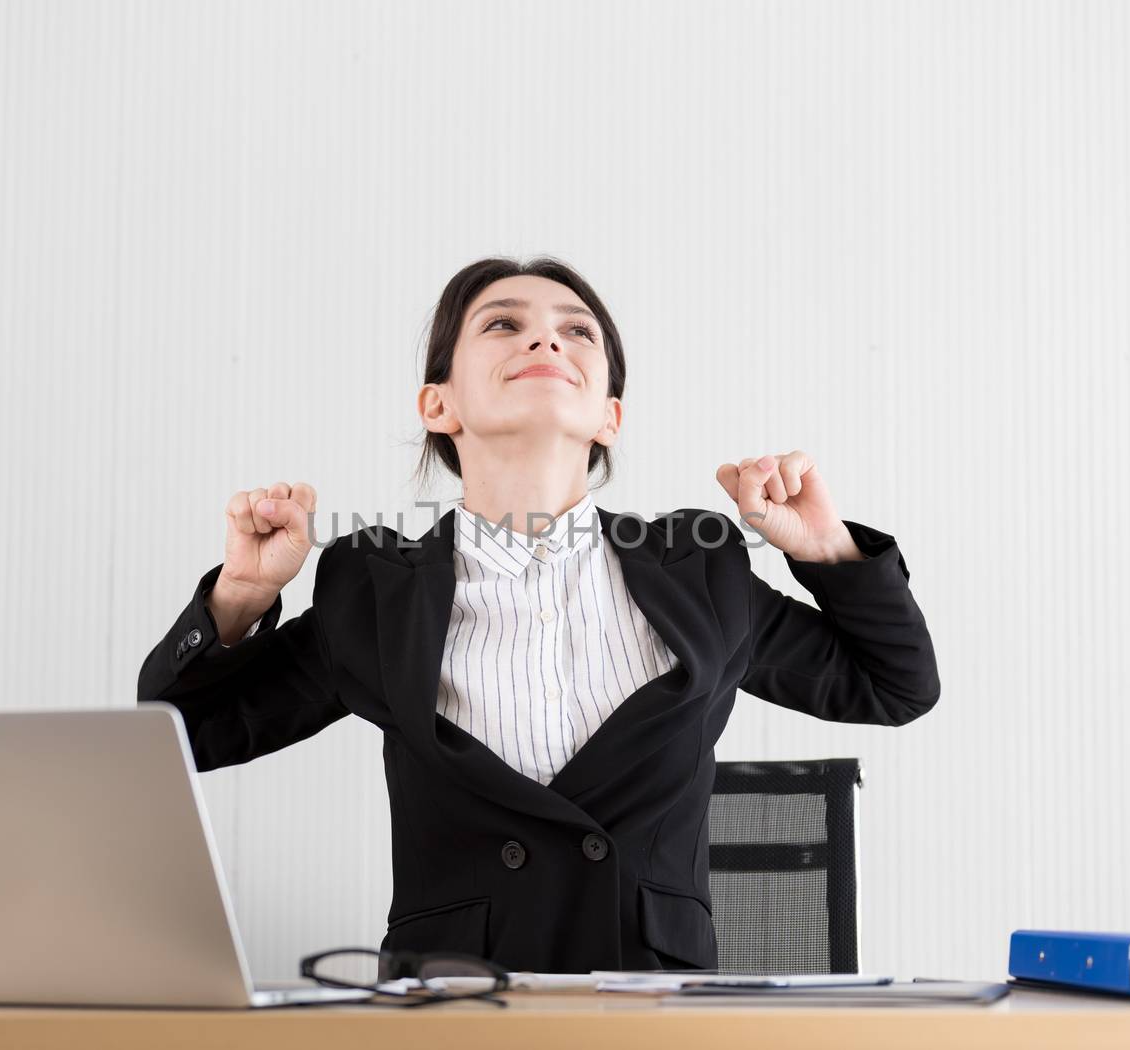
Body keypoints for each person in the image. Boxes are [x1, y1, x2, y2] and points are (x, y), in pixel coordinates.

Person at [137, 255, 940, 977]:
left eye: (576, 332)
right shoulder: (375, 591)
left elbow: (894, 685)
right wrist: (242, 593)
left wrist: (826, 550)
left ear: (609, 418)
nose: (547, 343)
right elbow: (178, 738)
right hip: (455, 1013)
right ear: (438, 404)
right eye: (504, 325)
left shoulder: (703, 571)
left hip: (656, 1013)